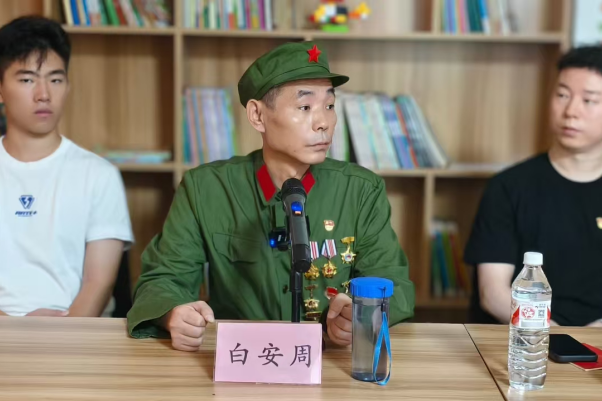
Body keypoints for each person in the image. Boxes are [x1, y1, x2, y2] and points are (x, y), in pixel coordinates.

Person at [127, 41, 415, 351]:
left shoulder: (360, 190)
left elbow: (394, 284)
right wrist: (174, 313)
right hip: (240, 360)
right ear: (257, 115)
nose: (324, 122)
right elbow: (163, 279)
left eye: (330, 106)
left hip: (329, 362)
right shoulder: (205, 189)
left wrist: (358, 314)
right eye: (305, 107)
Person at [0, 16, 134, 317]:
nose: (43, 94)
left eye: (55, 79)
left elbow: (99, 284)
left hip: (74, 332)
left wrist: (62, 332)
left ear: (68, 85)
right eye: (27, 80)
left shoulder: (99, 176)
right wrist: (15, 331)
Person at [465, 45, 602, 327]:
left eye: (589, 100)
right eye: (562, 95)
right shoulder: (508, 187)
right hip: (527, 339)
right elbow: (492, 294)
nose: (571, 111)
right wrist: (558, 338)